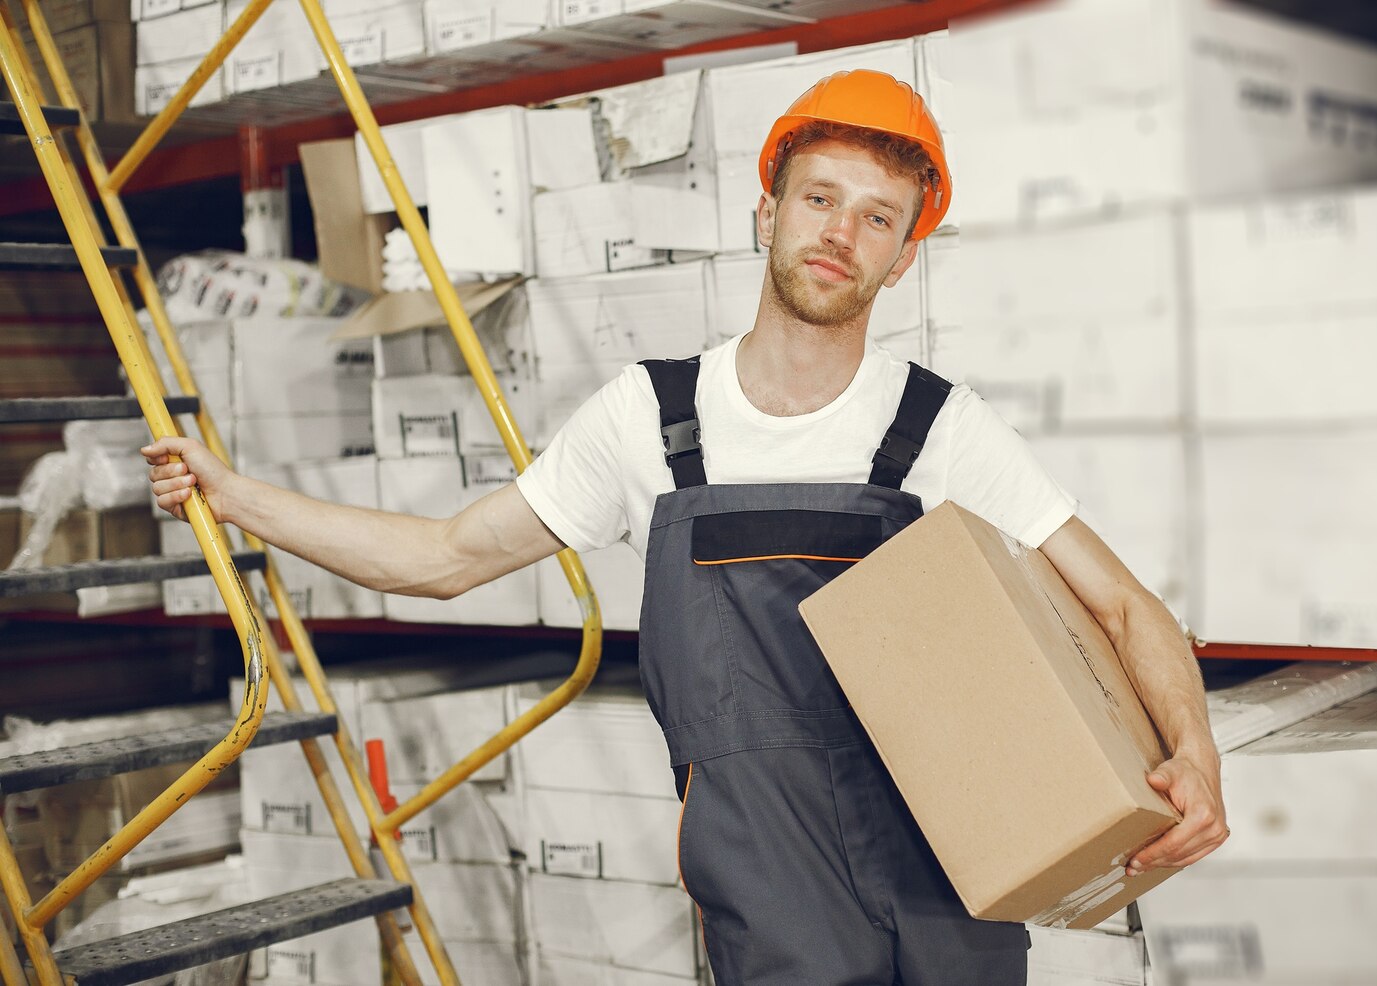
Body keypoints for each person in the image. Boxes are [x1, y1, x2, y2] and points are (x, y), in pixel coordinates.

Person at [144, 69, 1228, 985]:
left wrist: (1192, 751)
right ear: (767, 213)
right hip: (767, 893)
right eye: (819, 199)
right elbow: (442, 560)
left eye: (876, 216)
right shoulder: (653, 421)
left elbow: (1125, 603)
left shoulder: (937, 426)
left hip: (947, 880)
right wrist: (233, 495)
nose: (839, 233)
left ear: (904, 258)